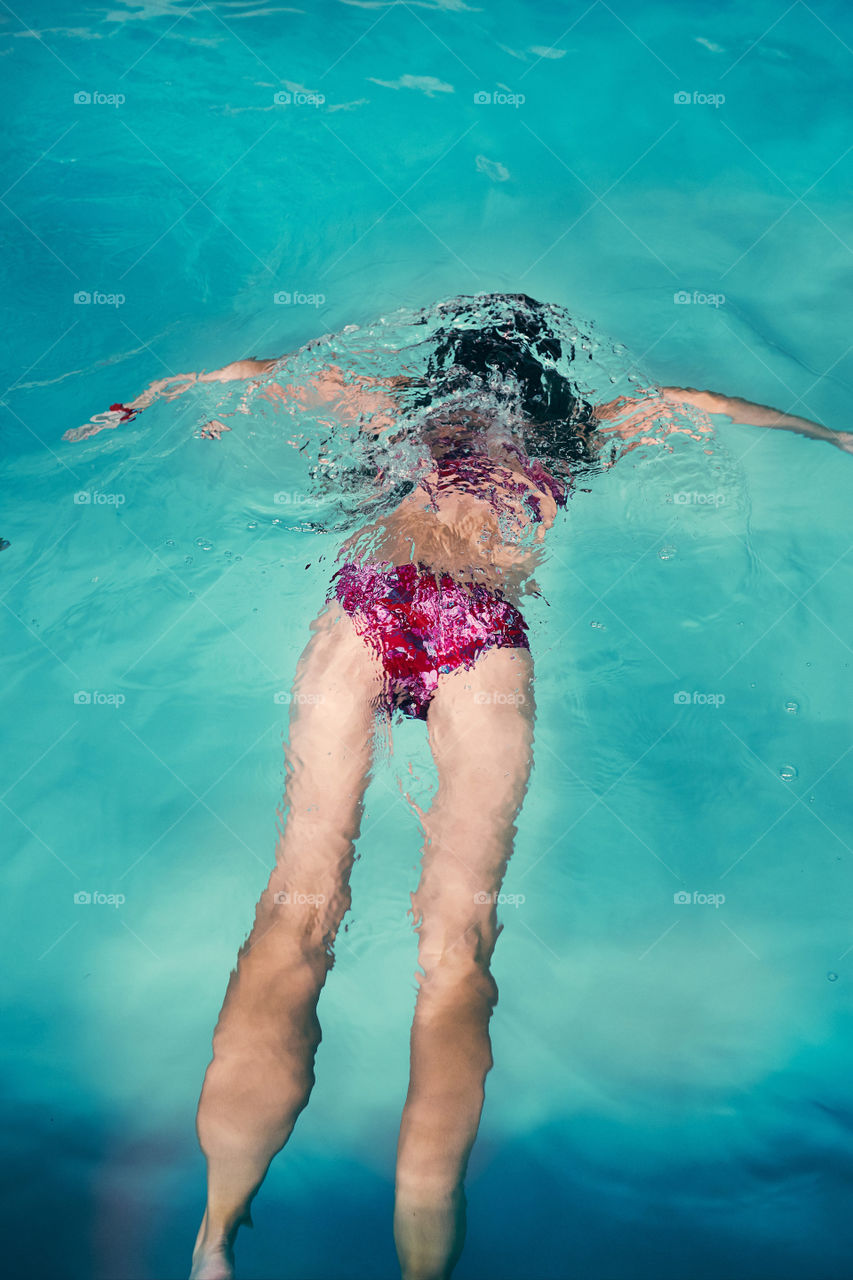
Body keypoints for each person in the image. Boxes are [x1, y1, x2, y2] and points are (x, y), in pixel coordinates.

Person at [66, 297, 852, 1280]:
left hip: (366, 604)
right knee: (457, 950)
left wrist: (145, 399)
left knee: (298, 902)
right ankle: (423, 1220)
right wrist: (831, 432)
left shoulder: (387, 402)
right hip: (478, 636)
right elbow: (696, 402)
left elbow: (252, 375)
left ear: (438, 369)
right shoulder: (576, 429)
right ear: (549, 370)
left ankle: (217, 1229)